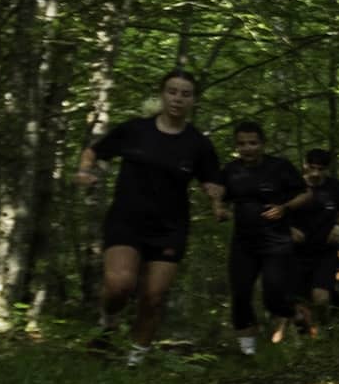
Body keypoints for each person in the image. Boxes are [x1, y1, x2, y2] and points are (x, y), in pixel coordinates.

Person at [76, 70, 227, 366]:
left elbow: (213, 182)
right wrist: (84, 171)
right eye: (172, 91)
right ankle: (108, 322)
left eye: (185, 94)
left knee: (153, 296)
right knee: (119, 285)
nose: (178, 98)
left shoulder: (198, 144)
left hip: (169, 227)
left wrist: (216, 201)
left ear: (193, 101)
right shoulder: (136, 129)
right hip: (126, 219)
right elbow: (93, 152)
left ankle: (134, 362)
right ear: (162, 94)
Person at [219, 121, 311, 357]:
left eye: (252, 143)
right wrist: (218, 209)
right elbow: (219, 195)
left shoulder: (279, 167)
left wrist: (284, 208)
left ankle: (297, 313)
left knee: (273, 297)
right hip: (243, 243)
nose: (247, 148)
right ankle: (247, 352)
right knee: (240, 293)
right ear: (236, 146)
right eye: (241, 144)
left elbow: (306, 193)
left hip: (276, 242)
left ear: (262, 144)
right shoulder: (231, 170)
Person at [288, 149, 339, 331]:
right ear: (304, 165)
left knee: (321, 298)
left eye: (321, 169)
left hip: (325, 252)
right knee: (296, 305)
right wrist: (288, 230)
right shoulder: (291, 187)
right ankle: (303, 336)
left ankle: (325, 332)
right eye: (312, 168)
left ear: (328, 169)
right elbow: (274, 216)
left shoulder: (337, 189)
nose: (316, 173)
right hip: (295, 254)